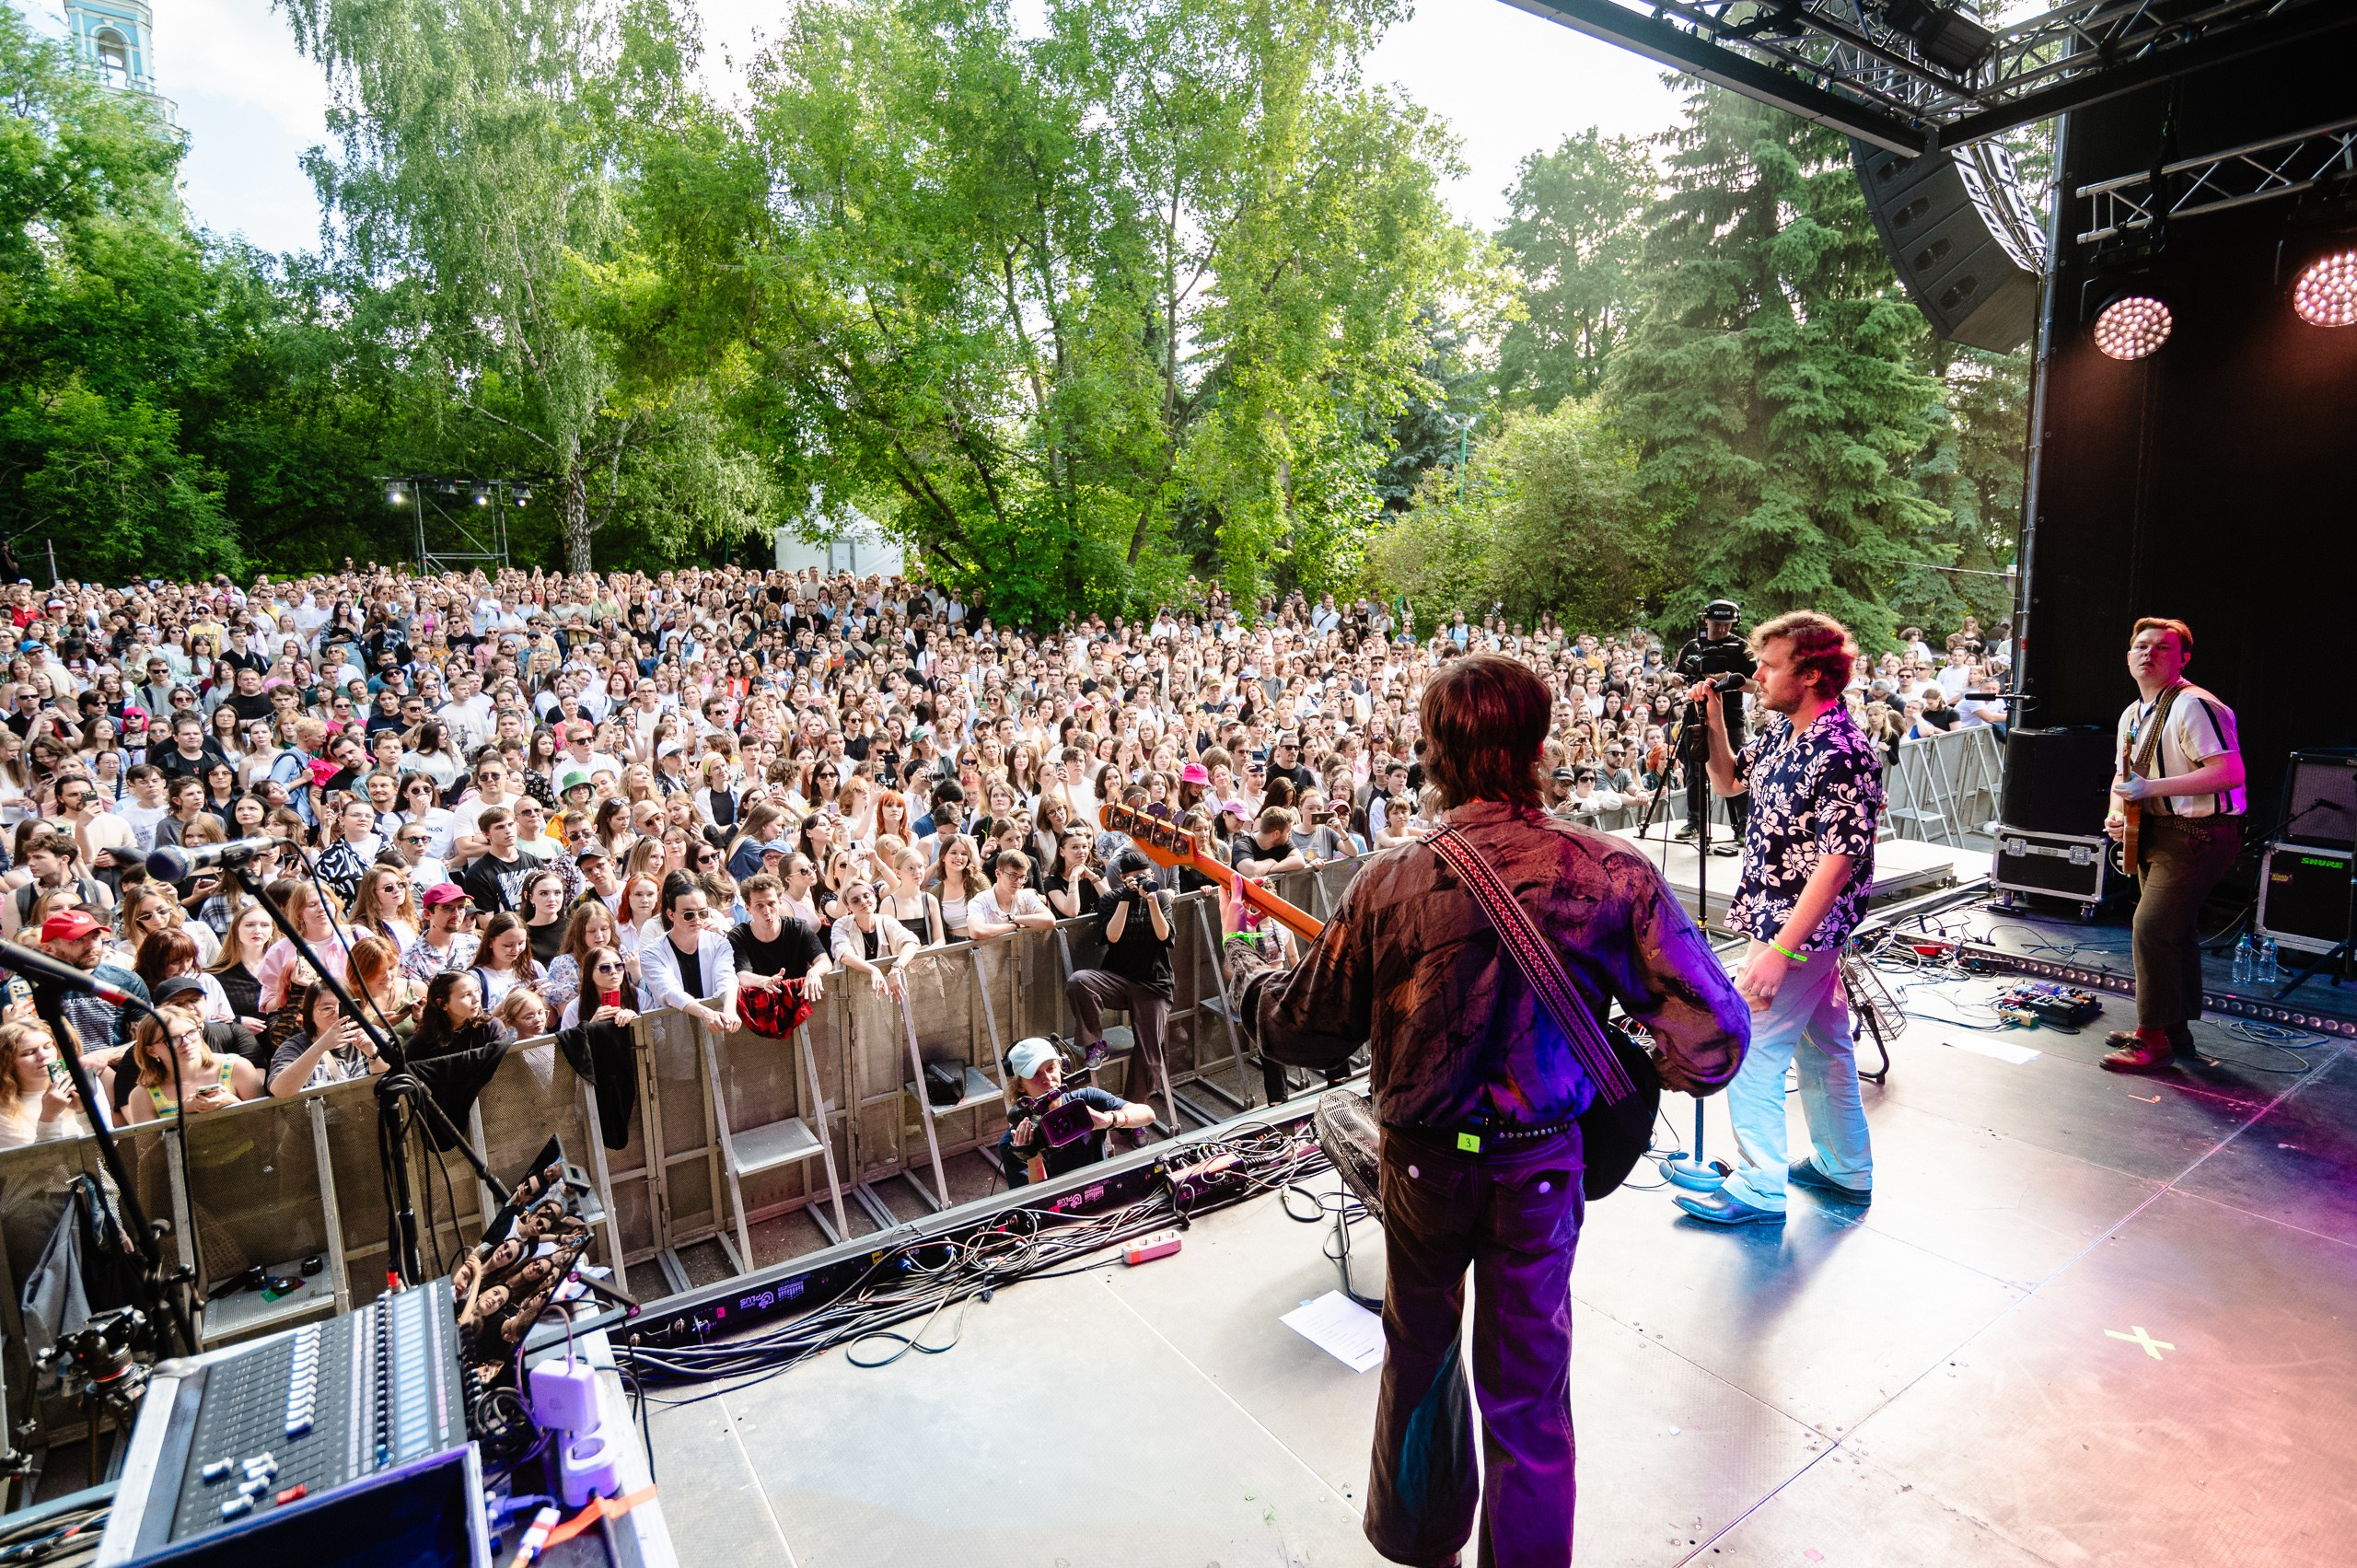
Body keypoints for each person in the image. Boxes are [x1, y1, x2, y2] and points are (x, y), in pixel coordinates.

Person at [1217, 652, 1747, 1568]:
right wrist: (1639, 1062)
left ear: (1432, 750)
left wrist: (1244, 959)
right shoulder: (1606, 870)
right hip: (1543, 1163)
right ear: (1539, 743)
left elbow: (1302, 1030)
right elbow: (1716, 1036)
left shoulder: (1386, 880)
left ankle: (1422, 1537)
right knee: (1530, 1391)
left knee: (1420, 1354)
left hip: (1423, 1165)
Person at [1676, 610, 1884, 1226]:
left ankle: (1760, 1184)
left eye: (1770, 664)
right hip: (1783, 925)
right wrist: (1713, 721)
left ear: (1813, 673)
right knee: (1825, 1049)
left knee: (1753, 1048)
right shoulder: (1781, 733)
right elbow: (1727, 781)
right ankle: (1846, 1167)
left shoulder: (1845, 751)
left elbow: (1838, 860)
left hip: (1799, 931)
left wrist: (1777, 950)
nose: (1757, 673)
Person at [2099, 617, 2246, 1072]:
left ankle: (2152, 1040)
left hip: (2199, 833)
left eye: (2163, 648)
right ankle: (2172, 1029)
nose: (2149, 653)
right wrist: (2119, 815)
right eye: (2141, 646)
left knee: (2152, 928)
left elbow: (2229, 773)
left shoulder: (2194, 705)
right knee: (2174, 933)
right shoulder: (2133, 713)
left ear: (2182, 658)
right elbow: (2126, 778)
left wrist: (2151, 791)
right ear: (2128, 658)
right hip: (2160, 832)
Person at [1065, 849, 1175, 1120]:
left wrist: (1150, 901)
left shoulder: (1160, 897)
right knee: (1079, 981)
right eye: (1136, 878)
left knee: (1150, 1057)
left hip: (1154, 985)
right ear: (1123, 878)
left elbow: (1164, 935)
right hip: (1119, 979)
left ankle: (1131, 1114)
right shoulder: (1112, 899)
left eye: (1146, 876)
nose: (1142, 881)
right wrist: (1126, 899)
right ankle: (1094, 1044)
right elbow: (1112, 937)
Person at [996, 1034, 1152, 1187]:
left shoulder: (1087, 1099)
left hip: (1103, 1188)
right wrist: (1033, 1158)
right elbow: (1034, 1202)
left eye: (1051, 1068)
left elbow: (1147, 1115)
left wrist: (1109, 1120)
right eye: (1035, 1074)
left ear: (1061, 1067)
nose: (1047, 1078)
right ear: (1020, 1085)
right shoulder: (1014, 1140)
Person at [1673, 598, 1755, 850]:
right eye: (1717, 624)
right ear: (1706, 620)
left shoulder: (1741, 648)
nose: (1721, 629)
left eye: (1727, 625)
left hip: (1730, 718)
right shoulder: (1693, 645)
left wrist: (1727, 680)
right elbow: (1680, 675)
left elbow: (1755, 684)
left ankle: (1742, 827)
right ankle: (1694, 821)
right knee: (1694, 770)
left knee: (1736, 771)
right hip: (1694, 714)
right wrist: (1676, 679)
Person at [637, 872, 739, 1033]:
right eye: (688, 914)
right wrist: (706, 1013)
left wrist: (730, 1010)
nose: (697, 919)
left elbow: (726, 978)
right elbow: (669, 991)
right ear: (671, 914)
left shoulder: (719, 943)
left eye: (703, 913)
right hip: (675, 1032)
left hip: (716, 1027)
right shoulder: (652, 953)